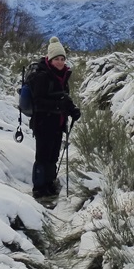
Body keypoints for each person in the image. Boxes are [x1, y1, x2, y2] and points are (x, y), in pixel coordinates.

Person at [28, 36, 81, 199]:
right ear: (50, 59)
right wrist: (58, 106)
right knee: (43, 156)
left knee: (53, 156)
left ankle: (49, 184)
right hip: (43, 123)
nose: (60, 62)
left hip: (57, 123)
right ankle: (39, 188)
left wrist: (72, 110)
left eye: (62, 59)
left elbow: (64, 97)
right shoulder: (42, 76)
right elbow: (38, 101)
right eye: (56, 59)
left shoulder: (62, 75)